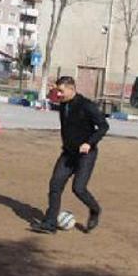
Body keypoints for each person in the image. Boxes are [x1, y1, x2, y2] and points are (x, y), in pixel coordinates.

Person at [31, 76, 109, 234]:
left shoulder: (86, 105)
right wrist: (53, 88)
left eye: (61, 91)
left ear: (72, 89)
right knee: (55, 185)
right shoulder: (63, 102)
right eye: (58, 91)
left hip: (86, 154)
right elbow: (52, 97)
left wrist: (89, 143)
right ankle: (51, 223)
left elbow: (103, 126)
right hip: (68, 153)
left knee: (78, 188)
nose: (58, 94)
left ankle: (95, 210)